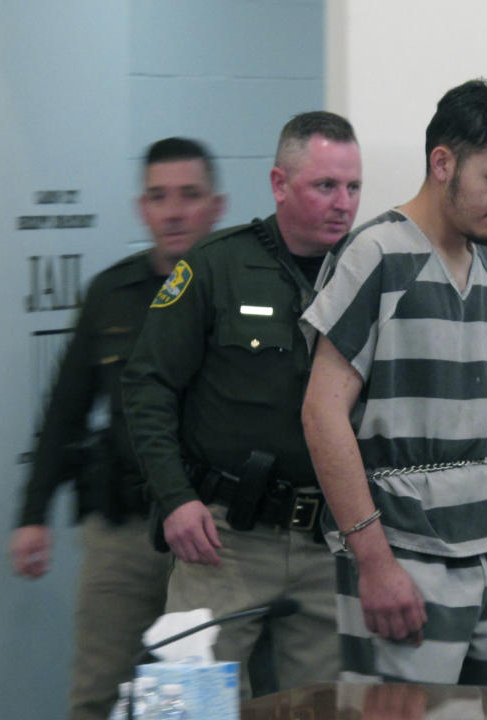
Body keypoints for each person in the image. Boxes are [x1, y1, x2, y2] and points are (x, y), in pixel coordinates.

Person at [300, 78, 487, 686]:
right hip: (403, 553)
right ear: (442, 163)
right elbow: (322, 413)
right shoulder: (376, 254)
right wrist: (374, 563)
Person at [121, 111, 362, 699]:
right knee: (185, 708)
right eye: (325, 186)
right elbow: (147, 386)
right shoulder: (214, 266)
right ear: (280, 184)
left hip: (326, 541)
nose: (343, 203)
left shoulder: (368, 271)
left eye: (353, 187)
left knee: (323, 712)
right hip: (222, 541)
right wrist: (175, 499)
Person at [10, 137, 225, 720]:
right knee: (99, 695)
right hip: (124, 533)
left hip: (214, 535)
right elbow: (65, 409)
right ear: (142, 208)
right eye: (158, 197)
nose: (174, 210)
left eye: (189, 195)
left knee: (191, 704)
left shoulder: (240, 290)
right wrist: (33, 514)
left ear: (217, 205)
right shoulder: (112, 294)